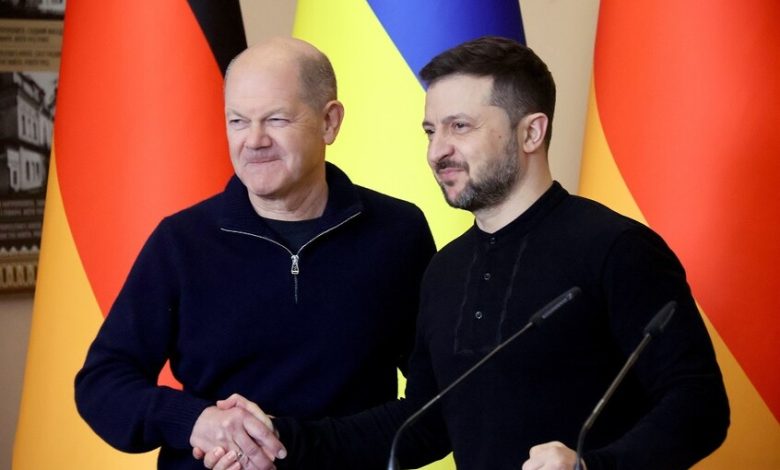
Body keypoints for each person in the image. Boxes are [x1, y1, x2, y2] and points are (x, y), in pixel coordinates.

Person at [203, 36, 730, 470]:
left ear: (531, 132)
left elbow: (699, 404)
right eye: (431, 131)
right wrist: (280, 440)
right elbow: (425, 423)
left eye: (461, 126)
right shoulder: (445, 269)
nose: (438, 151)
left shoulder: (617, 248)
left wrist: (594, 466)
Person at [74, 37, 436, 470]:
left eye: (276, 119)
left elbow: (434, 406)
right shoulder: (181, 241)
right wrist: (198, 422)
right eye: (238, 121)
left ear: (329, 122)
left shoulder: (398, 233)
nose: (254, 140)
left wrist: (288, 445)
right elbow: (102, 384)